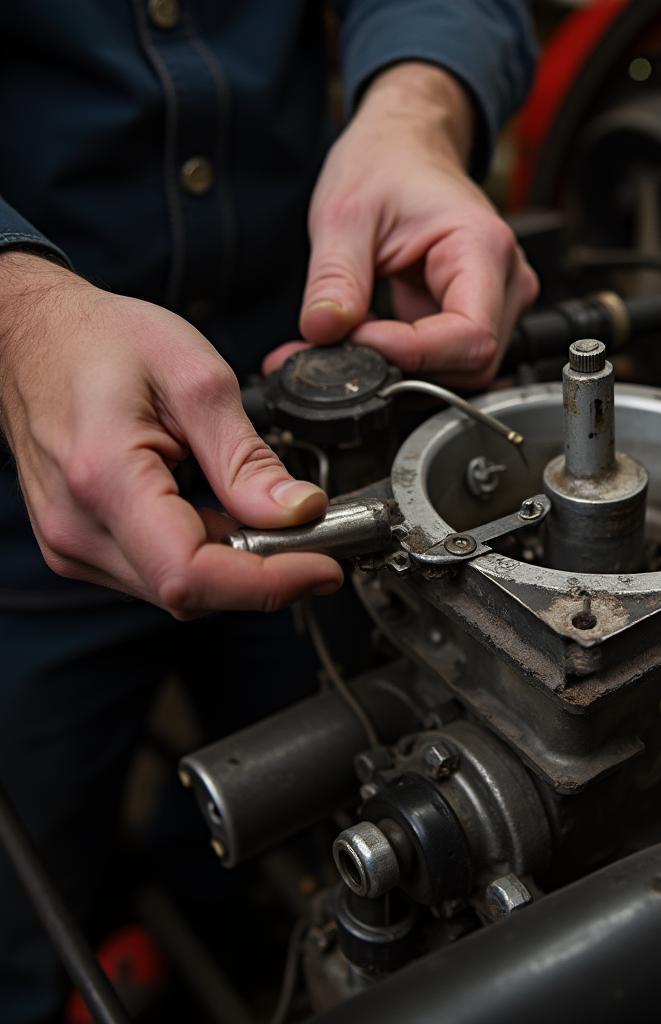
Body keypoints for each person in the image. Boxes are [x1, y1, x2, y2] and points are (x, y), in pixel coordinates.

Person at [0, 2, 538, 1019]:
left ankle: (213, 940)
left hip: (312, 465)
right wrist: (13, 310)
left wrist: (415, 109)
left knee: (296, 809)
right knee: (22, 900)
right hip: (17, 501)